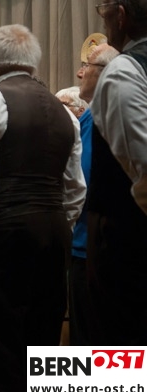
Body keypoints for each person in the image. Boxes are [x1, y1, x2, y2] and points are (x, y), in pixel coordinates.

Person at [0, 24, 86, 392]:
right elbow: (75, 189)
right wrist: (59, 227)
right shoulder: (66, 113)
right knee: (41, 344)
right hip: (54, 236)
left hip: (1, 235)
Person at [88, 0, 147, 345]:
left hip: (128, 245)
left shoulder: (123, 71)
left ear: (121, 15)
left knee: (119, 357)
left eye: (104, 9)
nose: (103, 18)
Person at [67, 43, 118, 346]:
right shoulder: (87, 118)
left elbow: (84, 181)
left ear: (103, 74)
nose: (79, 73)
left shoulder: (110, 119)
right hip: (81, 249)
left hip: (101, 252)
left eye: (85, 66)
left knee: (99, 347)